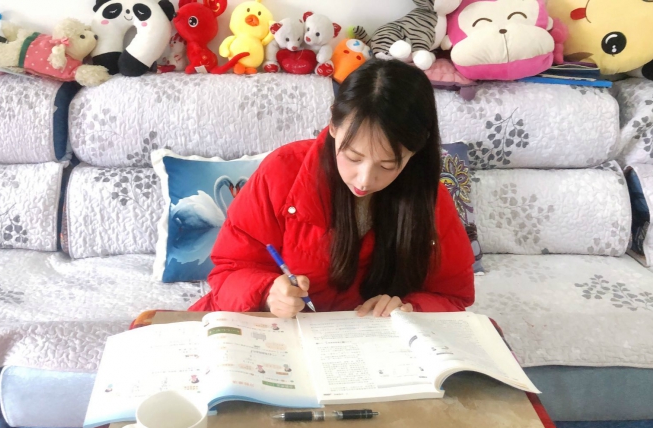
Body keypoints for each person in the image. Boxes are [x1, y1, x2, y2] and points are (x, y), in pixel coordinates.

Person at [190, 59, 475, 318]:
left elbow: (453, 296)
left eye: (388, 165)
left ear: (416, 151)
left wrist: (409, 309)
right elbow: (228, 272)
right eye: (353, 157)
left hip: (367, 343)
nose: (364, 180)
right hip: (272, 331)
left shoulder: (430, 199)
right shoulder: (282, 172)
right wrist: (267, 292)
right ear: (333, 125)